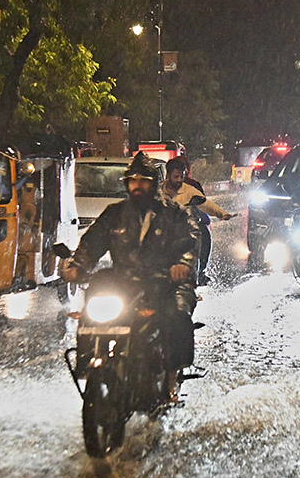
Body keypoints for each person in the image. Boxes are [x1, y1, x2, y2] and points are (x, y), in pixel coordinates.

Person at [61, 153, 199, 379]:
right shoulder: (114, 214)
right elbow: (93, 241)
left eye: (144, 181)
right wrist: (77, 267)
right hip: (124, 281)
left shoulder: (173, 214)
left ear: (153, 184)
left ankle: (172, 375)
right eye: (133, 181)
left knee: (177, 315)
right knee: (95, 293)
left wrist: (181, 265)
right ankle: (87, 360)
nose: (138, 186)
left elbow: (190, 241)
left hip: (164, 282)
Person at [162, 156, 234, 285]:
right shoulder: (157, 191)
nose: (179, 180)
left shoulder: (189, 190)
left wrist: (222, 214)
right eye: (176, 177)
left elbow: (206, 204)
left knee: (198, 247)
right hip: (163, 234)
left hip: (184, 232)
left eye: (181, 177)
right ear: (168, 175)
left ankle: (197, 278)